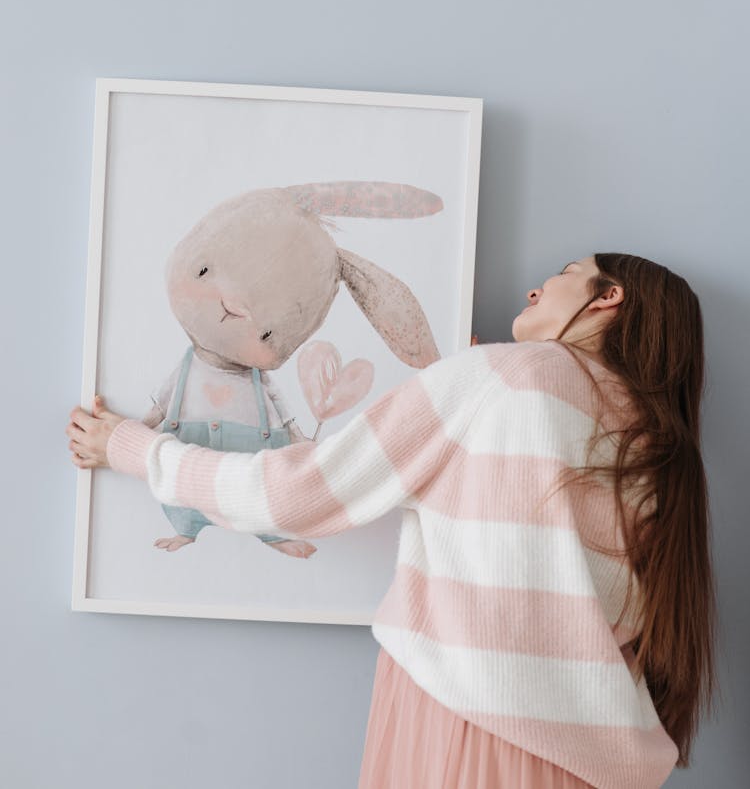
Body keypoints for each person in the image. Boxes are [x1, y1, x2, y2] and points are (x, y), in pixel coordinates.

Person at [67, 253, 717, 789]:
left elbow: (300, 494)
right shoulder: (660, 444)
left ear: (609, 298)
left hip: (468, 727)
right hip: (587, 758)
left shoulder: (505, 377)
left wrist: (133, 447)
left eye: (568, 271)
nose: (534, 284)